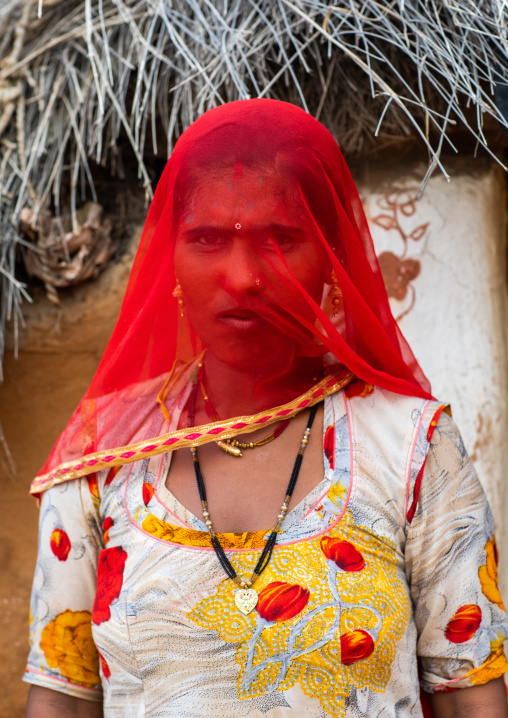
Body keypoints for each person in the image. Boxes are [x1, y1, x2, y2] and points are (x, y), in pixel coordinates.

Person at [24, 99, 508, 718]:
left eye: (280, 239)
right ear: (169, 259)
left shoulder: (413, 446)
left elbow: (475, 700)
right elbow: (59, 703)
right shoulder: (105, 453)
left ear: (330, 258)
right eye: (205, 240)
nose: (244, 276)